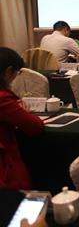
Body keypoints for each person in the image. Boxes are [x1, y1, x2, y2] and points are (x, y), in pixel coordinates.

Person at [0, 47, 44, 190]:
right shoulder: (3, 99)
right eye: (16, 72)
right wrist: (24, 112)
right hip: (6, 169)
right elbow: (35, 127)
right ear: (8, 72)